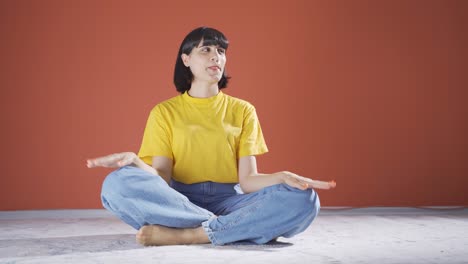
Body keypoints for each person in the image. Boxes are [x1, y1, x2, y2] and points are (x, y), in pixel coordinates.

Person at [87, 26, 336, 246]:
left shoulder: (243, 110)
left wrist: (282, 176)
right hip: (178, 201)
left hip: (231, 200)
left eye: (221, 51)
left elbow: (248, 180)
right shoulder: (164, 112)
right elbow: (162, 177)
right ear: (186, 59)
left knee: (304, 199)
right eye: (205, 49)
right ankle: (231, 227)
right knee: (115, 184)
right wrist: (136, 162)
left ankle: (192, 235)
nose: (216, 56)